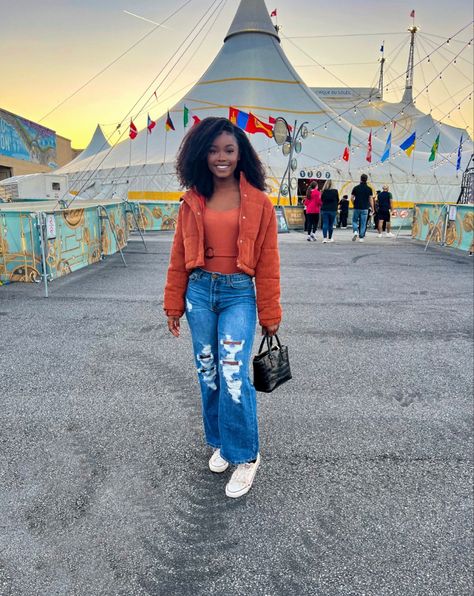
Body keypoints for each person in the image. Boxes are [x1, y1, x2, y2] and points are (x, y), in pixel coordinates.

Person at [164, 117, 282, 499]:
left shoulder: (259, 203)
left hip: (237, 293)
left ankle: (246, 455)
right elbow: (179, 254)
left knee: (234, 373)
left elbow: (268, 260)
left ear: (240, 154)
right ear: (201, 154)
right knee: (208, 371)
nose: (221, 157)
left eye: (228, 150)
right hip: (199, 293)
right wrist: (172, 303)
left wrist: (270, 313)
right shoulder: (192, 200)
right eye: (213, 150)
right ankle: (222, 442)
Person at [351, 173, 374, 242]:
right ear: (366, 180)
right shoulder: (369, 189)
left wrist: (354, 203)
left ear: (360, 179)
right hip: (365, 208)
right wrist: (372, 208)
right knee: (363, 223)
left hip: (357, 207)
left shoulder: (356, 188)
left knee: (354, 221)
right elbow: (370, 199)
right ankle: (361, 237)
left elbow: (352, 198)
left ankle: (355, 231)